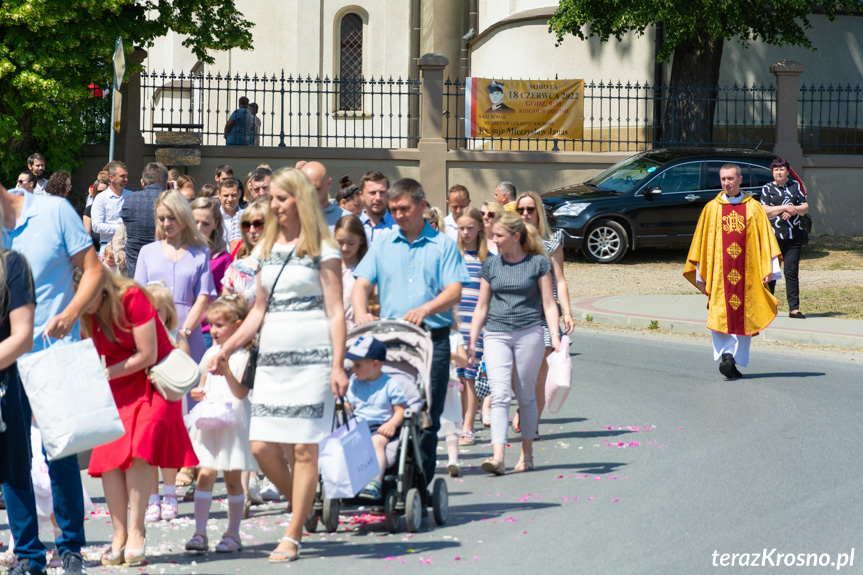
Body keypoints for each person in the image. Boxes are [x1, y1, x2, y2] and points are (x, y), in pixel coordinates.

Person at [212, 167, 347, 563]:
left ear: (300, 200)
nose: (274, 205)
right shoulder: (266, 251)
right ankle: (303, 502)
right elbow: (258, 311)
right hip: (271, 360)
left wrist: (338, 365)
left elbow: (336, 311)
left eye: (282, 198)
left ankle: (293, 533)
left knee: (304, 449)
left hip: (312, 360)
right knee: (262, 447)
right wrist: (227, 347)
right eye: (272, 198)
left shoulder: (325, 248)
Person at [1, 178, 104, 575]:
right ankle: (28, 554)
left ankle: (71, 546)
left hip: (53, 354)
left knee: (59, 454)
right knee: (12, 459)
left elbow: (93, 270)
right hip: (7, 360)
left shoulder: (55, 211)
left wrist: (72, 311)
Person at [352, 178, 470, 484]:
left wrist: (426, 309)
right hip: (391, 341)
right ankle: (380, 474)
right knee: (383, 409)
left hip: (433, 339)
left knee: (426, 413)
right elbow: (361, 283)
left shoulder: (443, 245)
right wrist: (362, 310)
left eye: (404, 208)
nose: (399, 215)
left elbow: (454, 290)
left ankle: (418, 483)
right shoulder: (383, 244)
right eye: (394, 209)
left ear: (421, 205)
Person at [82, 272, 198, 568]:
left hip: (153, 380)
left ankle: (137, 532)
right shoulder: (84, 314)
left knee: (138, 452)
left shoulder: (131, 298)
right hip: (119, 385)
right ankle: (119, 536)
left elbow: (148, 354)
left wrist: (104, 375)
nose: (82, 303)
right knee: (108, 457)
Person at [133, 190, 215, 520]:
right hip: (152, 339)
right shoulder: (148, 252)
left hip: (187, 338)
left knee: (188, 407)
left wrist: (184, 331)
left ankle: (186, 469)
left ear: (183, 218)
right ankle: (159, 490)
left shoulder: (199, 253)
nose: (166, 223)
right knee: (156, 413)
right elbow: (137, 295)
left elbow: (204, 295)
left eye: (171, 217)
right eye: (161, 218)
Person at [468, 212, 561, 475]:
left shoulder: (538, 263)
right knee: (498, 394)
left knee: (525, 394)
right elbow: (482, 306)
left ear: (515, 236)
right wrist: (472, 340)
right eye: (492, 235)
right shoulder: (491, 265)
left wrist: (554, 335)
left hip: (528, 334)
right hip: (496, 334)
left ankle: (526, 453)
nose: (493, 240)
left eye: (499, 235)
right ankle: (497, 456)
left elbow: (548, 303)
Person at [684, 163, 782, 379]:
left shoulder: (754, 208)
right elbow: (703, 243)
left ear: (740, 180)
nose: (726, 183)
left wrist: (770, 269)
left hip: (748, 275)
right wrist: (700, 272)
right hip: (720, 276)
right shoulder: (712, 208)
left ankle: (731, 359)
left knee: (745, 316)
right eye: (723, 179)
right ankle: (727, 355)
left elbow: (765, 240)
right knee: (720, 314)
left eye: (730, 179)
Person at [185, 296, 256, 554]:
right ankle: (200, 532)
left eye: (219, 325)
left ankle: (233, 533)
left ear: (238, 326)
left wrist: (226, 370)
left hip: (233, 420)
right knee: (204, 473)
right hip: (210, 418)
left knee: (233, 479)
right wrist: (198, 393)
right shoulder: (210, 352)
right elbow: (202, 385)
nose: (213, 330)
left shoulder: (245, 355)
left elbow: (240, 393)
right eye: (211, 325)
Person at [513, 191, 575, 434]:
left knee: (540, 374)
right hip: (516, 316)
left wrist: (567, 312)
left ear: (538, 212)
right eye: (521, 210)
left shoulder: (552, 242)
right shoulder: (510, 240)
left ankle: (532, 424)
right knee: (519, 375)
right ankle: (524, 405)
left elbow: (559, 280)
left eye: (530, 209)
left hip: (544, 317)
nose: (526, 214)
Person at [0, 233, 37, 575]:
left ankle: (29, 555)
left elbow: (23, 336)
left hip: (5, 380)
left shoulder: (12, 264)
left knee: (12, 469)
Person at [344, 336, 407, 499]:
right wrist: (341, 406)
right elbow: (350, 405)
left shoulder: (390, 384)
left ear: (375, 364)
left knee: (376, 443)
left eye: (358, 365)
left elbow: (400, 410)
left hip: (380, 426)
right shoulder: (355, 383)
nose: (353, 369)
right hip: (358, 424)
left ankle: (375, 482)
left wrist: (392, 424)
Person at [454, 206, 489, 445]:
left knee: (470, 377)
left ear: (479, 228)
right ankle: (460, 421)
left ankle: (468, 426)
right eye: (461, 228)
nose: (465, 232)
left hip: (477, 326)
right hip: (455, 325)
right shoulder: (452, 255)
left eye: (470, 228)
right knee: (457, 377)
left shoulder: (488, 259)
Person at [760, 157, 809, 319]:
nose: (779, 172)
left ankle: (794, 308)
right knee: (771, 273)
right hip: (773, 237)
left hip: (793, 236)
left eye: (781, 169)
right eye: (776, 169)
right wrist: (783, 208)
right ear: (772, 172)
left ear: (787, 171)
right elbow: (764, 210)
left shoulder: (794, 186)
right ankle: (768, 307)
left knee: (791, 272)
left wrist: (793, 209)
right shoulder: (767, 188)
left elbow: (805, 207)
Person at [192, 197, 232, 349]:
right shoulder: (178, 252)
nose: (199, 227)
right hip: (177, 325)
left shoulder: (223, 258)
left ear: (215, 224)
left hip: (206, 330)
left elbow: (226, 299)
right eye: (195, 221)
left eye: (205, 223)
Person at [122, 162, 169, 279]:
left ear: (142, 182)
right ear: (166, 183)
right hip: (164, 271)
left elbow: (125, 226)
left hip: (135, 272)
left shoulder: (129, 200)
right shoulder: (172, 201)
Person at [222, 197, 269, 305]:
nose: (252, 230)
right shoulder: (235, 268)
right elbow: (225, 309)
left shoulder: (283, 262)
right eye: (247, 225)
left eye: (258, 224)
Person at [439, 328, 469, 476]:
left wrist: (454, 355)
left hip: (450, 383)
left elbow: (464, 362)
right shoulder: (424, 334)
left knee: (451, 424)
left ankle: (453, 461)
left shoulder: (455, 336)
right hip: (429, 383)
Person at [334, 214, 368, 331]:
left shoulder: (366, 269)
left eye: (351, 243)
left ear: (361, 240)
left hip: (359, 329)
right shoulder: (331, 268)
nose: (345, 248)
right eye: (340, 242)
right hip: (334, 328)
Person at [92, 161, 132, 254]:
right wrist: (120, 228)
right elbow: (96, 226)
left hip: (128, 246)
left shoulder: (130, 196)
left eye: (126, 176)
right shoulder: (101, 198)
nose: (126, 179)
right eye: (122, 176)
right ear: (111, 178)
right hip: (108, 247)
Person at [301, 161, 349, 232]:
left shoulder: (347, 221)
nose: (312, 194)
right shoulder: (292, 221)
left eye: (317, 189)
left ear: (329, 184)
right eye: (307, 189)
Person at [358, 171, 397, 244]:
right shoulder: (353, 227)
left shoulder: (399, 227)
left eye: (382, 192)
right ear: (361, 196)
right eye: (373, 193)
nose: (378, 198)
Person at [84, 176, 110, 249]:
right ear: (95, 192)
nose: (103, 194)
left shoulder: (113, 208)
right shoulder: (89, 210)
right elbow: (87, 233)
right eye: (100, 192)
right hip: (96, 248)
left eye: (106, 191)